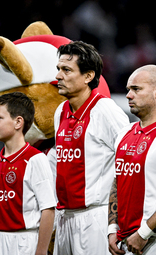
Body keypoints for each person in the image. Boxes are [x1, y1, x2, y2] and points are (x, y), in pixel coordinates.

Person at [52, 41, 129, 255]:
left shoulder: (105, 110)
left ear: (88, 76)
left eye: (66, 70)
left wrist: (118, 222)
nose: (59, 76)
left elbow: (131, 159)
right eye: (58, 69)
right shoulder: (60, 111)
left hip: (95, 217)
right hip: (64, 216)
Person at [108, 65, 156, 255]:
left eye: (136, 89)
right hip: (124, 242)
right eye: (128, 90)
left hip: (155, 242)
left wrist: (143, 233)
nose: (129, 95)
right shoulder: (124, 133)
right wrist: (112, 229)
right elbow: (117, 182)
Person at [0, 92, 56, 255]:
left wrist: (41, 252)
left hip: (23, 242)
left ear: (18, 122)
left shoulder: (35, 160)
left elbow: (48, 209)